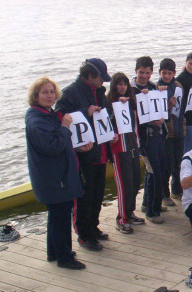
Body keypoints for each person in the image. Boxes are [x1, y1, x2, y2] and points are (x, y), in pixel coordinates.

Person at [26, 77, 88, 269]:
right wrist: (64, 128)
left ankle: (54, 251)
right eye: (45, 92)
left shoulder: (46, 114)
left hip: (56, 175)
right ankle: (65, 257)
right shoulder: (37, 121)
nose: (50, 96)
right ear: (36, 96)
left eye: (52, 92)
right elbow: (53, 147)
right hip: (53, 178)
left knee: (56, 215)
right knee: (61, 216)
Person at [55, 58, 114, 251]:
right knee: (84, 196)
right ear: (89, 76)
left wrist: (110, 132)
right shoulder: (70, 93)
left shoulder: (98, 91)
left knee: (97, 194)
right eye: (100, 78)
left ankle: (93, 227)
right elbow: (61, 118)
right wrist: (84, 111)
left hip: (100, 151)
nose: (102, 82)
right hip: (84, 155)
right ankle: (83, 234)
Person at [131, 56, 168, 223]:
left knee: (154, 170)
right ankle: (152, 212)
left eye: (147, 73)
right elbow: (131, 117)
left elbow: (161, 107)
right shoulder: (131, 90)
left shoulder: (154, 87)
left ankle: (149, 202)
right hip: (144, 138)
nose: (144, 76)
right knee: (155, 173)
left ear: (152, 72)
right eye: (141, 73)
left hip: (158, 135)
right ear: (135, 71)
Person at [107, 72, 144, 234]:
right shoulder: (109, 104)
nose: (122, 87)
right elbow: (105, 123)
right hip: (119, 149)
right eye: (119, 84)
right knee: (124, 185)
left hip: (133, 147)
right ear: (114, 86)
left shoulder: (131, 102)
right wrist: (116, 107)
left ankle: (129, 212)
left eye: (124, 84)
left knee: (136, 181)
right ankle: (121, 218)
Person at [157, 58, 183, 205]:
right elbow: (156, 112)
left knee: (178, 162)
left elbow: (181, 108)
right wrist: (168, 104)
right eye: (164, 73)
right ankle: (164, 193)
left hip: (178, 128)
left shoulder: (178, 85)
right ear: (160, 72)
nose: (166, 76)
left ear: (174, 73)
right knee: (166, 163)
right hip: (165, 131)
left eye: (169, 73)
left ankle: (177, 189)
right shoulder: (157, 87)